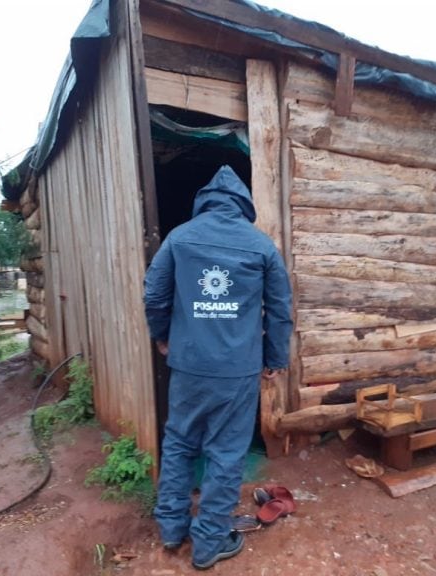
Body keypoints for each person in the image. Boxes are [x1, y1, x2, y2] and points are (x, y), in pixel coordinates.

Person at [144, 164, 293, 570]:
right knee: (226, 454)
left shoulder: (180, 237)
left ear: (204, 203)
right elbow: (280, 310)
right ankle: (208, 546)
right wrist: (275, 359)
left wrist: (162, 336)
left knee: (178, 443)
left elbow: (155, 295)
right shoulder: (261, 246)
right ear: (244, 205)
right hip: (237, 370)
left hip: (188, 366)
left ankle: (172, 529)